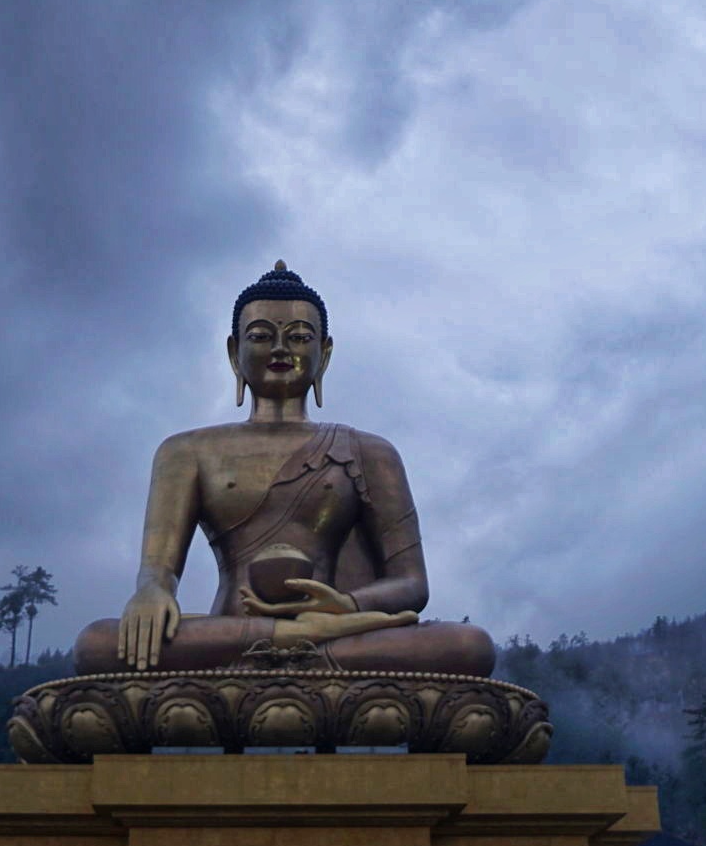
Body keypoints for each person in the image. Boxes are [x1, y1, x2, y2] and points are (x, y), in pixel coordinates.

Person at [74, 263, 494, 675]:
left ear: (324, 354)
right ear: (234, 352)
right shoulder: (186, 451)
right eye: (260, 337)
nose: (279, 349)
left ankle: (287, 646)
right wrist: (151, 593)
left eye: (298, 337)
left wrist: (344, 608)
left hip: (336, 629)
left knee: (467, 646)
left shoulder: (369, 451)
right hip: (235, 629)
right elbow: (158, 572)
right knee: (97, 644)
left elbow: (411, 585)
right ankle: (286, 641)